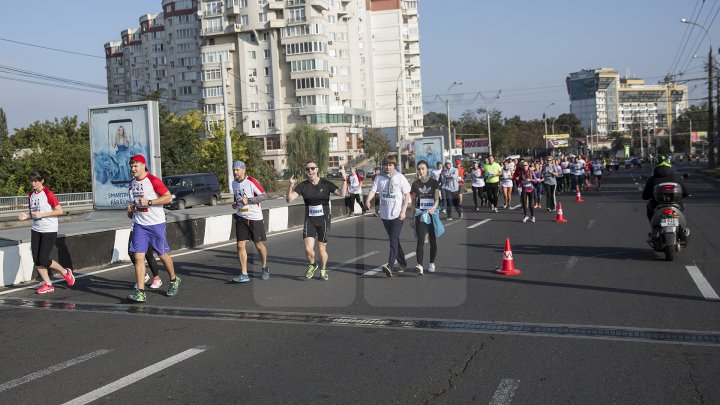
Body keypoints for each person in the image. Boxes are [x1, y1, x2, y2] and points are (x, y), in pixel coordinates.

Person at [126, 154, 181, 302]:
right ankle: (140, 291)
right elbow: (135, 208)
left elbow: (168, 197)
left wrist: (150, 202)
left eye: (136, 165)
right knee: (138, 256)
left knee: (162, 254)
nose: (133, 168)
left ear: (144, 166)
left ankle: (174, 279)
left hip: (156, 223)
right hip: (140, 225)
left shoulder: (153, 180)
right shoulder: (132, 185)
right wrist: (131, 210)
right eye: (131, 165)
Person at [287, 161, 347, 281]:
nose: (310, 171)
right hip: (310, 219)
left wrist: (344, 179)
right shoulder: (303, 185)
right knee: (308, 249)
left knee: (321, 249)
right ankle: (313, 264)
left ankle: (323, 269)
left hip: (324, 219)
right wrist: (290, 185)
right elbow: (289, 199)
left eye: (313, 168)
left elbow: (342, 194)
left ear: (317, 169)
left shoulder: (325, 183)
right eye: (308, 169)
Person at [17, 170, 76, 294]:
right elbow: (34, 212)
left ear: (42, 181)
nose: (33, 183)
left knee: (43, 259)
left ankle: (65, 272)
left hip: (49, 229)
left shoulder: (48, 193)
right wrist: (27, 216)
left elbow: (59, 210)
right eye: (32, 180)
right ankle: (48, 284)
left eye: (36, 180)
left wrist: (42, 215)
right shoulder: (31, 195)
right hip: (36, 229)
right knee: (37, 260)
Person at [365, 156, 411, 277]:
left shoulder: (400, 178)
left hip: (397, 214)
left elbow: (407, 195)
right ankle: (403, 263)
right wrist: (368, 200)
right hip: (385, 214)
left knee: (393, 240)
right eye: (386, 165)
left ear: (394, 166)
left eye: (390, 165)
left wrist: (404, 211)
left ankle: (390, 265)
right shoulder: (379, 178)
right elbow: (373, 190)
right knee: (394, 239)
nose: (388, 167)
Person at [230, 160, 269, 283]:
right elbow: (238, 198)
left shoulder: (251, 181)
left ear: (243, 170)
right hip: (241, 217)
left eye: (237, 170)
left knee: (258, 244)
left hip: (254, 218)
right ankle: (244, 273)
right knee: (240, 245)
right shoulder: (234, 183)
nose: (235, 172)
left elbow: (264, 196)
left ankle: (264, 267)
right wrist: (236, 204)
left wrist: (250, 200)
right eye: (234, 170)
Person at [410, 160, 443, 275]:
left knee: (432, 240)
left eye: (423, 168)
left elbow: (436, 198)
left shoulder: (434, 183)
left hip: (432, 213)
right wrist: (411, 217)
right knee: (420, 240)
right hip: (420, 214)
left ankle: (431, 263)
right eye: (419, 169)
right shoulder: (415, 184)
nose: (421, 171)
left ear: (427, 169)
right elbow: (414, 202)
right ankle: (419, 265)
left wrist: (434, 207)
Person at [641, 156, 688, 222]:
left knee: (649, 206)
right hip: (676, 206)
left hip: (656, 206)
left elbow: (645, 196)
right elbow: (685, 193)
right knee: (682, 205)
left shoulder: (652, 179)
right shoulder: (676, 178)